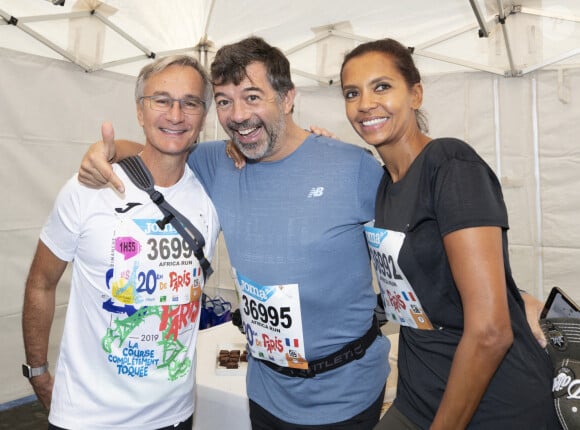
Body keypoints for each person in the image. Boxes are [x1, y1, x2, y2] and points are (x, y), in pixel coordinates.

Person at [78, 37, 391, 429]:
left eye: (252, 97)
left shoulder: (353, 168)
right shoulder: (215, 162)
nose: (238, 114)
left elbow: (409, 255)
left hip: (347, 394)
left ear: (288, 97)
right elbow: (157, 151)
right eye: (224, 101)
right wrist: (102, 151)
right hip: (265, 392)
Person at [339, 38, 560, 429]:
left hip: (491, 405)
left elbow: (491, 331)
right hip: (419, 393)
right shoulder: (386, 185)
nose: (365, 103)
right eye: (352, 93)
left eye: (382, 87)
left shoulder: (450, 165)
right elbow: (429, 282)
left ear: (416, 94)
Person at [22, 55, 220, 429]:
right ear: (140, 111)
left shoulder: (211, 192)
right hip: (88, 418)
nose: (176, 114)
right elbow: (41, 283)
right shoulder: (89, 188)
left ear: (202, 116)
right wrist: (37, 371)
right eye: (161, 100)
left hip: (174, 416)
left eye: (190, 102)